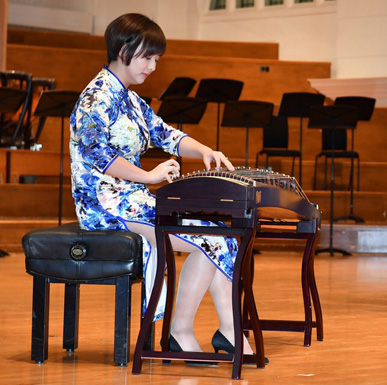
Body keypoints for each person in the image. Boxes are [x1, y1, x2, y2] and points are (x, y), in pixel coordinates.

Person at [69, 13, 259, 363]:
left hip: (131, 198)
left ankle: (228, 330)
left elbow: (167, 135)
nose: (153, 67)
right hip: (104, 205)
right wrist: (150, 176)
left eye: (156, 60)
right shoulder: (95, 98)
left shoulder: (131, 100)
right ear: (124, 49)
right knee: (212, 238)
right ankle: (180, 331)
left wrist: (204, 150)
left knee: (221, 234)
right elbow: (99, 157)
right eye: (147, 57)